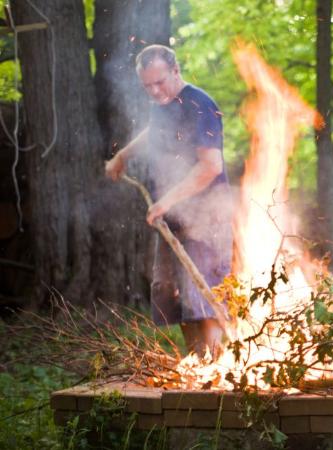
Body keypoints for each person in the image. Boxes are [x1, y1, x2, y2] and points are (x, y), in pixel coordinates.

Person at [104, 44, 230, 359]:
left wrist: (167, 201)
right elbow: (153, 130)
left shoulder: (201, 104)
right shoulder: (162, 103)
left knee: (202, 296)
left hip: (206, 217)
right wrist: (123, 155)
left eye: (160, 82)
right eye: (147, 86)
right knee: (172, 294)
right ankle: (198, 365)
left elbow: (210, 166)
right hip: (172, 213)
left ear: (176, 70)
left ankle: (217, 367)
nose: (155, 91)